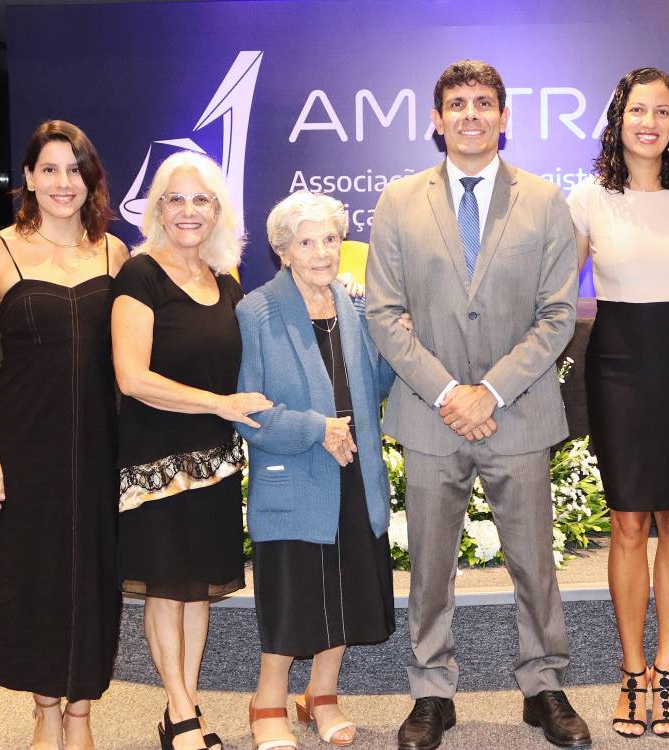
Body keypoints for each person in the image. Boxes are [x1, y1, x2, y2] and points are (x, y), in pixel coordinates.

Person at [366, 59, 589, 750]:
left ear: (504, 116)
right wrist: (447, 392)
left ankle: (543, 686)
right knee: (430, 567)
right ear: (437, 120)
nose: (471, 114)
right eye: (457, 103)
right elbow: (384, 313)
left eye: (483, 102)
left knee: (534, 564)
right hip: (430, 415)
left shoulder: (545, 200)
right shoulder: (399, 200)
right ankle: (432, 691)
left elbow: (558, 314)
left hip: (516, 412)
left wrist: (488, 391)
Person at [0, 119, 127, 750]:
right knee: (33, 572)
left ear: (91, 180)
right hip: (24, 441)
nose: (64, 182)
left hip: (101, 441)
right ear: (28, 177)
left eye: (75, 170)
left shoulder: (116, 254)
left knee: (93, 572)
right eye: (50, 169)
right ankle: (46, 709)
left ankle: (80, 712)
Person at [567, 66, 669, 738]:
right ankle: (632, 671)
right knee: (629, 520)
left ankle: (668, 669)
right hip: (620, 363)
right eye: (638, 110)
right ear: (618, 119)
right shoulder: (588, 197)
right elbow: (558, 290)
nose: (650, 122)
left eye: (662, 111)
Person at [111, 151, 272, 750]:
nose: (188, 210)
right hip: (155, 459)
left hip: (214, 462)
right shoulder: (139, 275)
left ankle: (185, 705)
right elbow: (132, 377)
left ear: (218, 211)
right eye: (175, 198)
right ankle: (180, 712)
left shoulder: (226, 281)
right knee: (165, 586)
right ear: (157, 209)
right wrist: (219, 404)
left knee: (197, 588)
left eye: (201, 199)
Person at [234, 190, 396, 750]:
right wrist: (315, 428)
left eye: (330, 239)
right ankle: (267, 701)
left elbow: (378, 386)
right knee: (292, 594)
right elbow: (248, 410)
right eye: (306, 242)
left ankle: (321, 696)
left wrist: (393, 332)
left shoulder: (355, 306)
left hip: (355, 471)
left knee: (346, 590)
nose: (322, 252)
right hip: (296, 472)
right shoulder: (256, 310)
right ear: (282, 251)